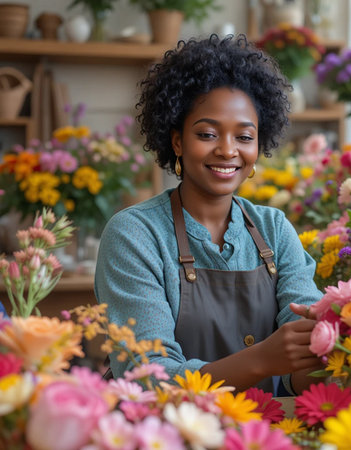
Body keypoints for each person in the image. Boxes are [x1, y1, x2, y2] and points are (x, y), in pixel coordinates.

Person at [95, 34, 323, 394]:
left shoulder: (273, 229)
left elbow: (306, 354)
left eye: (245, 137)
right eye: (207, 133)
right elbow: (149, 375)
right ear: (177, 141)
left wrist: (328, 348)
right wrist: (262, 359)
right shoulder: (135, 234)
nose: (227, 150)